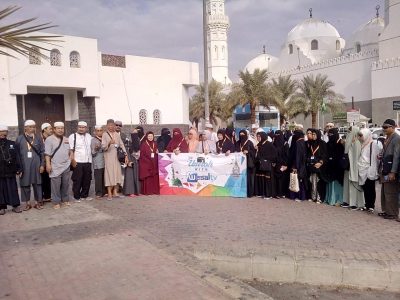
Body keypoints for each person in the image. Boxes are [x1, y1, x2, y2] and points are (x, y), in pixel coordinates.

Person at [15, 120, 45, 210]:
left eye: (34, 127)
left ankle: (37, 202)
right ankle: (27, 203)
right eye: (30, 127)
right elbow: (16, 155)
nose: (33, 129)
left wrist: (42, 165)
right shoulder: (19, 138)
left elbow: (42, 152)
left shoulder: (38, 138)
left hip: (36, 166)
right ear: (25, 128)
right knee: (25, 184)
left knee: (37, 184)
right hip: (24, 166)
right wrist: (18, 168)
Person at [44, 122, 71, 209]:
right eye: (58, 128)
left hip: (66, 165)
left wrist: (70, 160)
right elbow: (47, 154)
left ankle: (65, 199)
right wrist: (48, 164)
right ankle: (56, 202)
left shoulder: (66, 139)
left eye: (62, 128)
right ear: (54, 129)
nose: (60, 130)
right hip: (55, 166)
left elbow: (69, 151)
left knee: (65, 184)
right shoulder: (49, 139)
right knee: (56, 185)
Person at [378, 119, 400, 220]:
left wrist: (393, 172)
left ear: (393, 127)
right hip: (385, 169)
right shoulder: (388, 137)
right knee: (385, 191)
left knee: (391, 192)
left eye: (386, 127)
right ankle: (387, 211)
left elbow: (396, 156)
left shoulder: (396, 138)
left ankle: (393, 213)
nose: (384, 129)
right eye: (383, 127)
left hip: (391, 170)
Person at [102, 119, 128, 200]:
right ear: (107, 126)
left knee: (117, 173)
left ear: (114, 126)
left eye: (112, 125)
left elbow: (121, 144)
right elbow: (103, 147)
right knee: (109, 174)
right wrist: (109, 143)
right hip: (108, 157)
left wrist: (126, 154)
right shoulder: (104, 134)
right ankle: (109, 192)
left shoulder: (117, 134)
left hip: (117, 157)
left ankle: (115, 192)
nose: (111, 127)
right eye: (109, 125)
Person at [0, 125, 22, 214]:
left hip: (10, 171)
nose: (2, 135)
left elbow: (17, 157)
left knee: (13, 188)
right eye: (1, 133)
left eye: (4, 133)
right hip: (0, 171)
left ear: (7, 133)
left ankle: (15, 205)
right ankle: (1, 207)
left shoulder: (12, 143)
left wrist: (19, 168)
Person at [357, 128, 380, 213]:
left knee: (371, 188)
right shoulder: (363, 144)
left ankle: (371, 206)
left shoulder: (373, 145)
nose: (360, 137)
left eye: (361, 135)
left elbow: (375, 159)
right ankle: (367, 205)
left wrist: (373, 170)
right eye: (359, 136)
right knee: (365, 188)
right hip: (362, 169)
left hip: (370, 170)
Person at [69, 121, 93, 202]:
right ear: (77, 127)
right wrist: (72, 160)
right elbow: (71, 149)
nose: (81, 129)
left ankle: (84, 195)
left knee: (87, 179)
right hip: (78, 161)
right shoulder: (73, 136)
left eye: (83, 127)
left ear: (86, 128)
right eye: (80, 127)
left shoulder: (89, 136)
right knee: (77, 180)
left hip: (88, 161)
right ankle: (76, 196)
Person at [342, 126, 365, 210]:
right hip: (348, 168)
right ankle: (347, 201)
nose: (349, 133)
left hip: (355, 168)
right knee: (348, 185)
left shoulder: (357, 143)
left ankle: (355, 203)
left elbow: (356, 157)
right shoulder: (349, 142)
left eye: (350, 131)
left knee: (354, 185)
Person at [325, 128, 345, 206]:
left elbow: (341, 155)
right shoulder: (327, 144)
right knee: (330, 183)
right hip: (330, 167)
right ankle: (331, 199)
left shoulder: (340, 144)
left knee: (337, 184)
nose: (330, 136)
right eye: (329, 135)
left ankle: (338, 199)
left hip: (338, 168)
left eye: (331, 135)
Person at [306, 129, 327, 203]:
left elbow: (325, 154)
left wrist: (321, 162)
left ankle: (319, 197)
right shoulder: (311, 143)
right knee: (312, 181)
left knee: (318, 182)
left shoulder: (322, 143)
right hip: (312, 165)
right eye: (312, 134)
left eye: (314, 134)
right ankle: (313, 197)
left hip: (319, 166)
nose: (313, 136)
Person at [255, 131, 277, 199]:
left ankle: (268, 194)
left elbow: (274, 155)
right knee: (261, 179)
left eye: (259, 136)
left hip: (267, 165)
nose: (258, 138)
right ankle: (262, 193)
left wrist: (266, 159)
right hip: (260, 165)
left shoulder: (269, 144)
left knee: (267, 180)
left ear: (263, 137)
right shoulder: (259, 144)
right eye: (257, 136)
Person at [288, 130, 307, 201]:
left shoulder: (298, 143)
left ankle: (298, 196)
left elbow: (297, 156)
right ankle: (302, 196)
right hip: (303, 165)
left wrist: (295, 166)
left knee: (297, 180)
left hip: (298, 165)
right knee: (301, 181)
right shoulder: (304, 142)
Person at [236, 130, 256, 197]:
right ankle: (239, 192)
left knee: (248, 178)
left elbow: (254, 152)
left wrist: (248, 151)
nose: (242, 136)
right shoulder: (237, 143)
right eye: (240, 135)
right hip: (239, 164)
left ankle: (249, 193)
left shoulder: (249, 142)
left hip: (247, 164)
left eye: (243, 135)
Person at [123, 127, 141, 197]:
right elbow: (127, 152)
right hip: (130, 160)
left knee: (135, 176)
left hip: (136, 161)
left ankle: (136, 191)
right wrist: (129, 161)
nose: (135, 137)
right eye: (134, 135)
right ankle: (130, 192)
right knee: (129, 176)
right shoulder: (128, 142)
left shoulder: (138, 141)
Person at [273, 130, 289, 198]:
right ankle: (276, 193)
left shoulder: (285, 144)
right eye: (275, 135)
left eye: (278, 135)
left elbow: (287, 155)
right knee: (276, 179)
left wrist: (285, 164)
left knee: (282, 179)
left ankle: (282, 193)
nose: (277, 137)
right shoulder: (273, 143)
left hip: (282, 164)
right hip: (275, 164)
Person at [91, 125, 106, 199]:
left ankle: (104, 192)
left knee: (104, 177)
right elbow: (93, 153)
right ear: (95, 132)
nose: (99, 132)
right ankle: (98, 193)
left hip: (105, 162)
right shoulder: (93, 140)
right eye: (98, 131)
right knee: (98, 178)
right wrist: (97, 149)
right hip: (98, 162)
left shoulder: (104, 139)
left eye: (101, 130)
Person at [41, 122, 52, 202]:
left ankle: (48, 196)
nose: (52, 130)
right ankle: (41, 197)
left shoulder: (51, 138)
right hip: (42, 162)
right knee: (42, 180)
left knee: (49, 179)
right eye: (50, 129)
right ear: (44, 130)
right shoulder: (39, 139)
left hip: (50, 162)